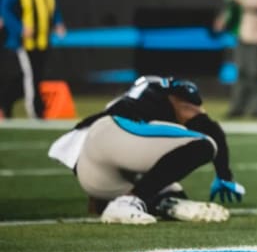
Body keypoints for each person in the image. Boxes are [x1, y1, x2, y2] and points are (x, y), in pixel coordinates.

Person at [48, 75, 245, 225]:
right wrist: (224, 175)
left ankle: (153, 203)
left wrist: (98, 197)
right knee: (204, 145)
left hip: (91, 173)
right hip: (111, 135)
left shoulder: (136, 99)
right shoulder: (170, 96)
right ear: (180, 98)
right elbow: (212, 130)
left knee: (167, 188)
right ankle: (130, 201)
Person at [0, 0, 66, 118]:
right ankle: (36, 112)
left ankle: (6, 101)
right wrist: (20, 28)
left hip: (42, 39)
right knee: (29, 76)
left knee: (34, 77)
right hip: (23, 41)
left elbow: (52, 5)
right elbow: (5, 10)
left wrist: (58, 22)